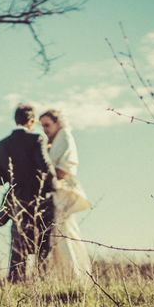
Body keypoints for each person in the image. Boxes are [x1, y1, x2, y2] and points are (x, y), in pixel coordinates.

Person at [0, 104, 56, 282]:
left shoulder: (1, 145)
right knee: (43, 243)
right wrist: (54, 187)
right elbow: (46, 167)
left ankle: (15, 281)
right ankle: (42, 280)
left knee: (18, 245)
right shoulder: (38, 139)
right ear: (32, 121)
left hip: (16, 198)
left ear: (15, 120)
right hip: (39, 198)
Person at [39, 109, 92, 281]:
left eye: (47, 125)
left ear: (58, 122)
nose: (45, 129)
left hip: (62, 193)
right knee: (58, 236)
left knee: (64, 235)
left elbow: (66, 168)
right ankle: (65, 278)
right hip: (55, 193)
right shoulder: (54, 141)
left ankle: (75, 277)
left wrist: (48, 179)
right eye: (42, 126)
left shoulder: (65, 137)